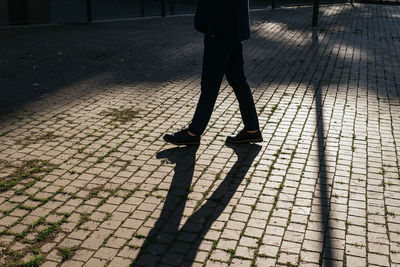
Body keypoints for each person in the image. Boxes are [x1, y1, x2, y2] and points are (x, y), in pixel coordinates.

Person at [164, 0, 262, 145]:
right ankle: (252, 130)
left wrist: (212, 27)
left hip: (220, 33)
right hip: (232, 30)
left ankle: (193, 133)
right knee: (239, 82)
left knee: (210, 85)